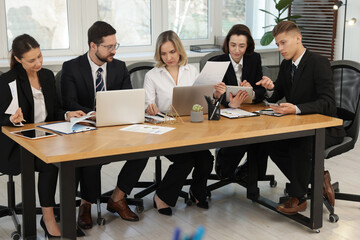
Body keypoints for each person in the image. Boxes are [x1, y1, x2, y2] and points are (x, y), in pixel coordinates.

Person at [61, 21, 148, 228]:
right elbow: (69, 102)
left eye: (116, 45)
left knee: (145, 149)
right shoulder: (71, 67)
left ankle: (117, 198)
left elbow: (128, 97)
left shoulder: (119, 67)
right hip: (86, 128)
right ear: (93, 46)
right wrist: (92, 115)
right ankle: (86, 204)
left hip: (116, 127)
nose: (114, 51)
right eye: (109, 47)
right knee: (92, 156)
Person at [0, 34, 85, 237]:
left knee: (72, 158)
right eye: (31, 60)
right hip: (17, 144)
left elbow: (52, 111)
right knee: (49, 164)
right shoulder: (7, 81)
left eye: (39, 56)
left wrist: (66, 114)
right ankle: (47, 218)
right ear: (19, 60)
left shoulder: (46, 76)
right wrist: (11, 119)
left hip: (46, 138)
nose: (38, 63)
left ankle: (64, 213)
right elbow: (1, 118)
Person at [256, 21, 345, 214]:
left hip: (326, 128)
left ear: (298, 39)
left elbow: (328, 103)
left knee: (300, 143)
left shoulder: (318, 62)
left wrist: (296, 108)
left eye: (283, 43)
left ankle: (299, 197)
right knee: (271, 143)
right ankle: (318, 178)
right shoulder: (287, 64)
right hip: (300, 126)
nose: (280, 48)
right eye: (277, 44)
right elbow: (277, 92)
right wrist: (270, 88)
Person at [144, 30, 225, 215]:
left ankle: (197, 191)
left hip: (190, 127)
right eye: (163, 53)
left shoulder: (192, 71)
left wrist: (215, 95)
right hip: (166, 128)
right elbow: (147, 104)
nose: (168, 57)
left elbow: (200, 100)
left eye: (172, 52)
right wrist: (149, 107)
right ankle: (162, 196)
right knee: (186, 160)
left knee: (206, 159)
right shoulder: (152, 75)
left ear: (179, 50)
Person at [211, 24, 267, 182]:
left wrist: (252, 92)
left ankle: (251, 174)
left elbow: (261, 90)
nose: (236, 50)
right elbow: (211, 93)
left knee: (265, 136)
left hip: (250, 111)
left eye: (241, 46)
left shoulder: (254, 59)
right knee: (241, 136)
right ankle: (225, 168)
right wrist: (231, 103)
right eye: (233, 45)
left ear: (247, 45)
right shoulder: (217, 61)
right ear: (227, 44)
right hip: (225, 114)